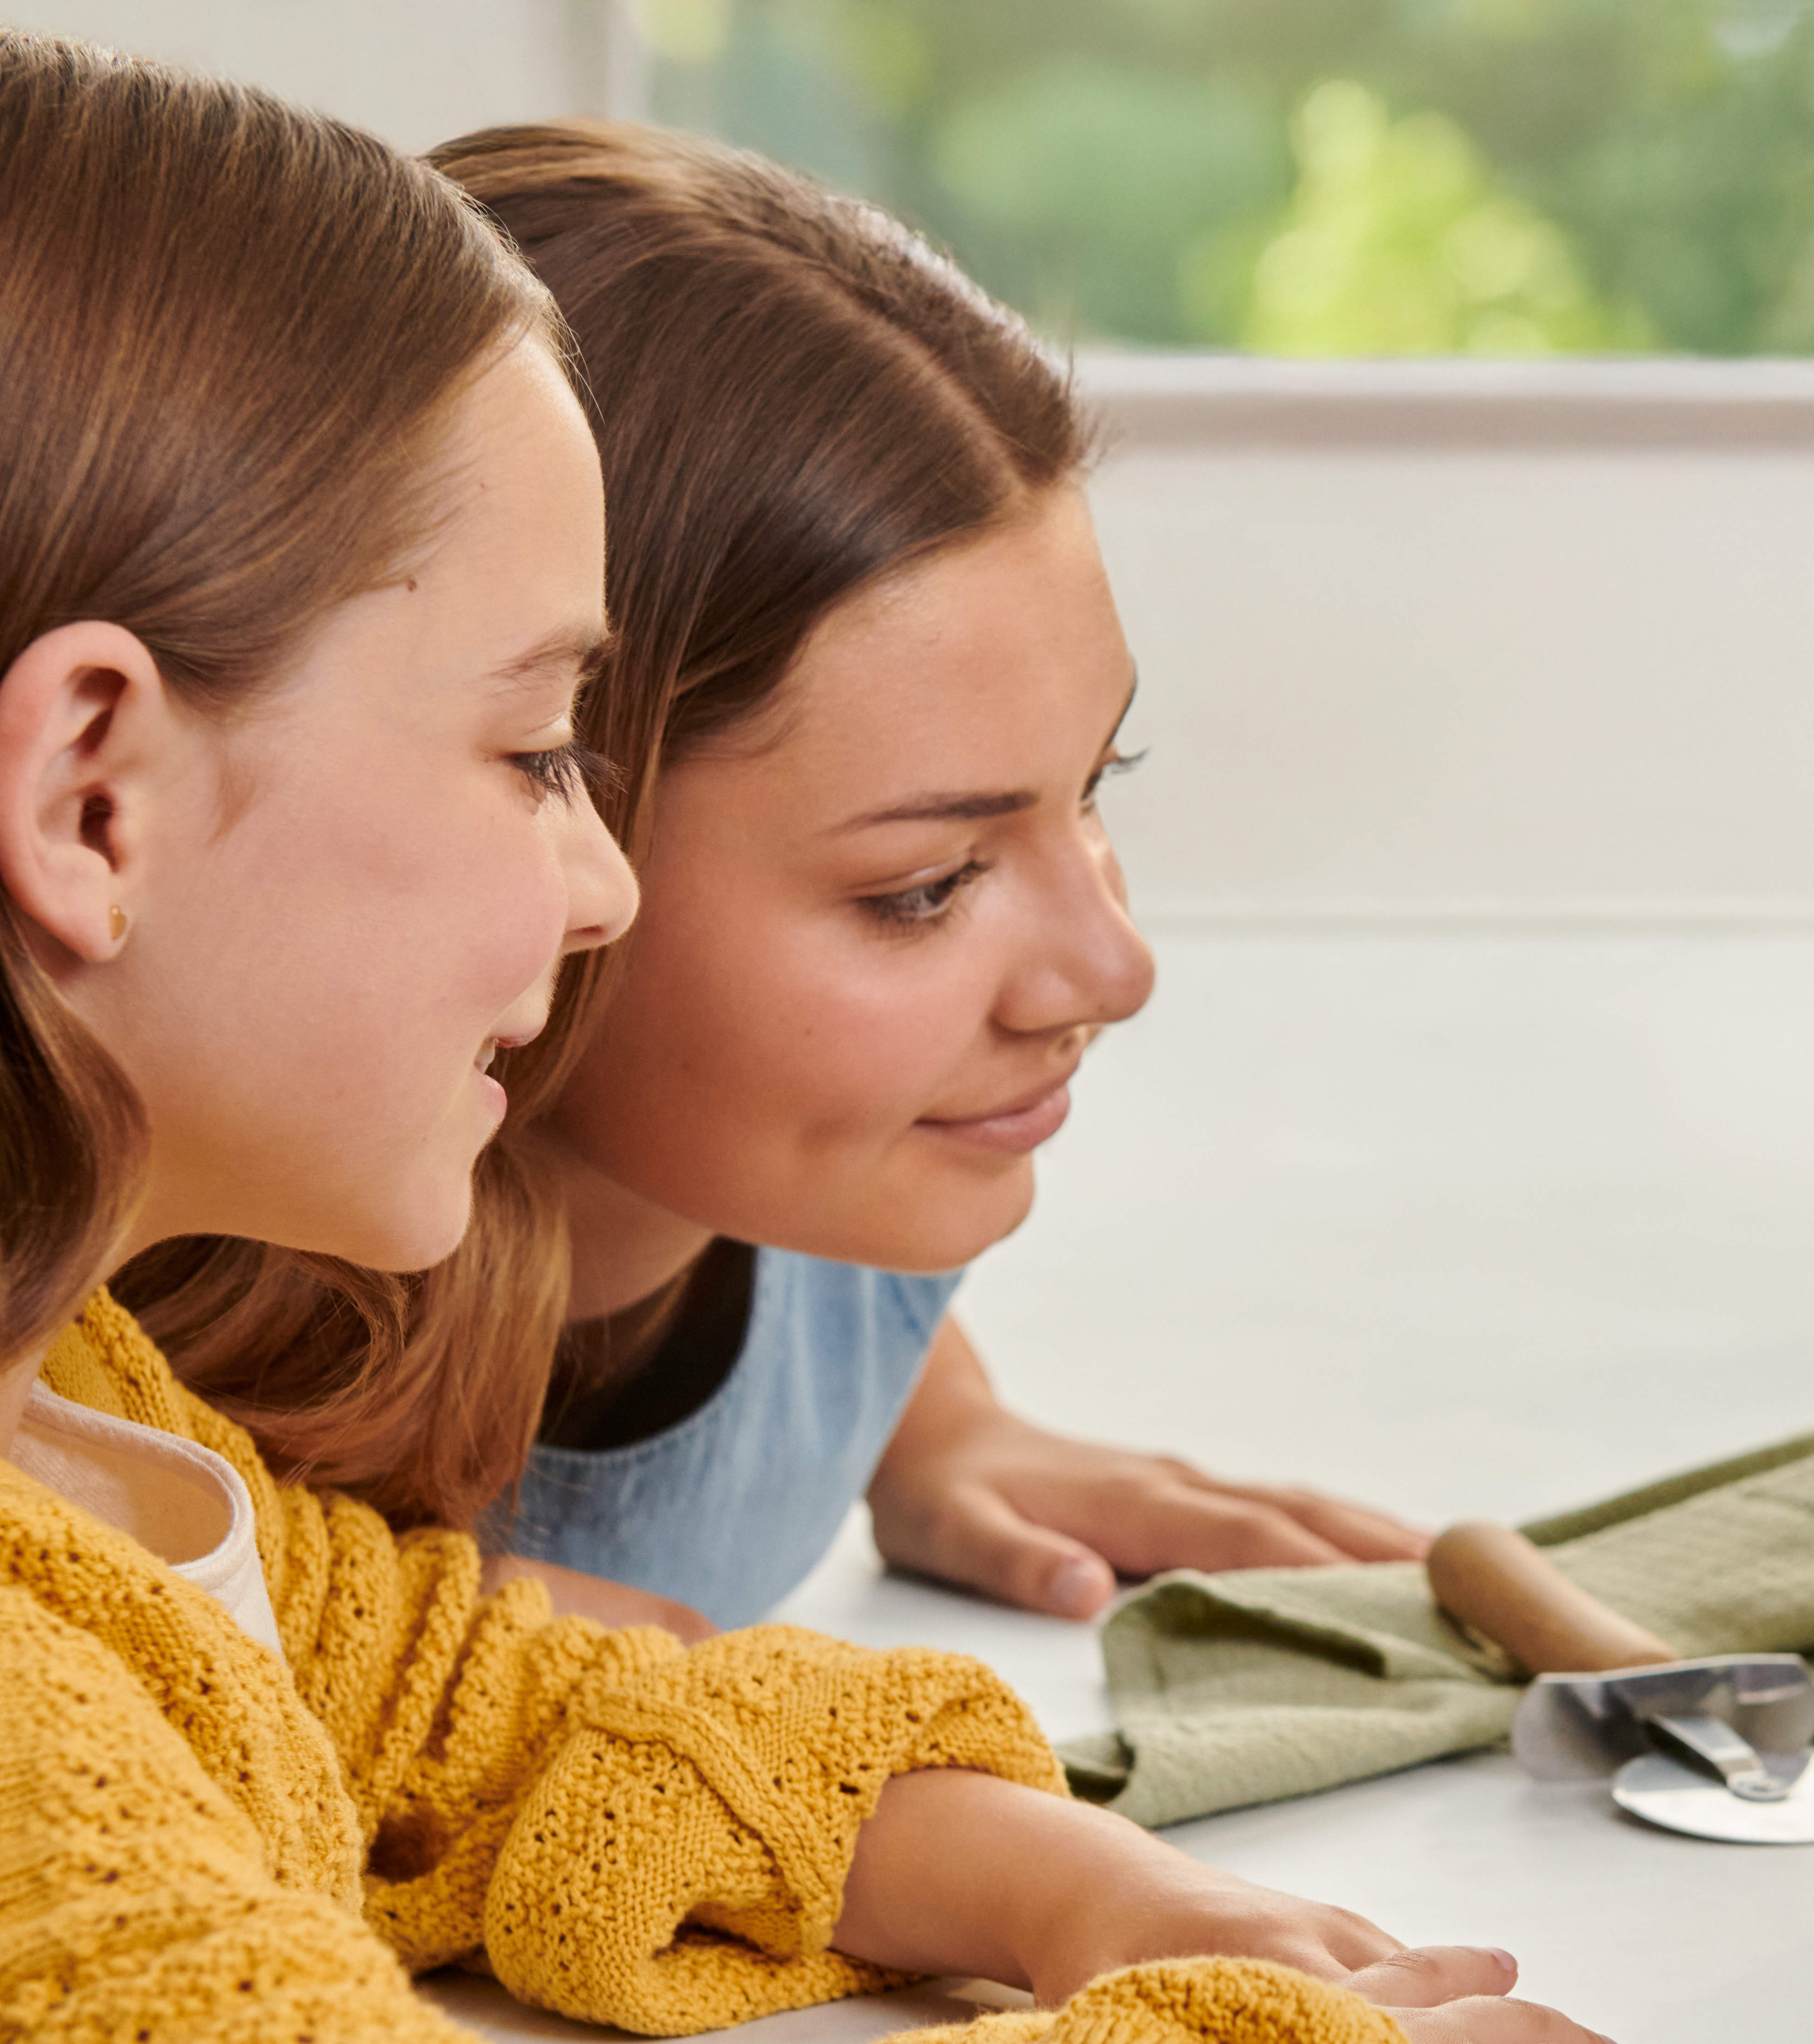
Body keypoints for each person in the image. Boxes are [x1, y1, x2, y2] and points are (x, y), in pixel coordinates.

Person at [0, 19, 1670, 2044]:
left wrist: (1072, 1881)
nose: (600, 882)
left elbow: (420, 1685)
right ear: (92, 795)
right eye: (536, 753)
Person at [131, 123, 1429, 1635]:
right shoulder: (146, 1440)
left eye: (1093, 791)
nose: (1114, 971)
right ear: (541, 804)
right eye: (926, 887)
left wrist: (938, 1427)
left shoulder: (849, 1164)